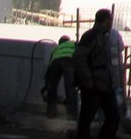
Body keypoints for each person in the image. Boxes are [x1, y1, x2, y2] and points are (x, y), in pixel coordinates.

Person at [74, 8, 120, 139]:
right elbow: (79, 58)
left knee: (113, 117)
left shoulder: (106, 37)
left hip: (105, 85)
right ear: (105, 20)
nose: (111, 23)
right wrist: (88, 80)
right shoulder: (90, 36)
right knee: (86, 120)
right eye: (110, 19)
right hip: (93, 85)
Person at [43, 35, 77, 119]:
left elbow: (50, 65)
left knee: (52, 87)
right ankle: (72, 114)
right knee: (70, 86)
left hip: (56, 62)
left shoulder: (55, 48)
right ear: (68, 40)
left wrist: (47, 83)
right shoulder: (73, 43)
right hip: (69, 60)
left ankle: (51, 112)